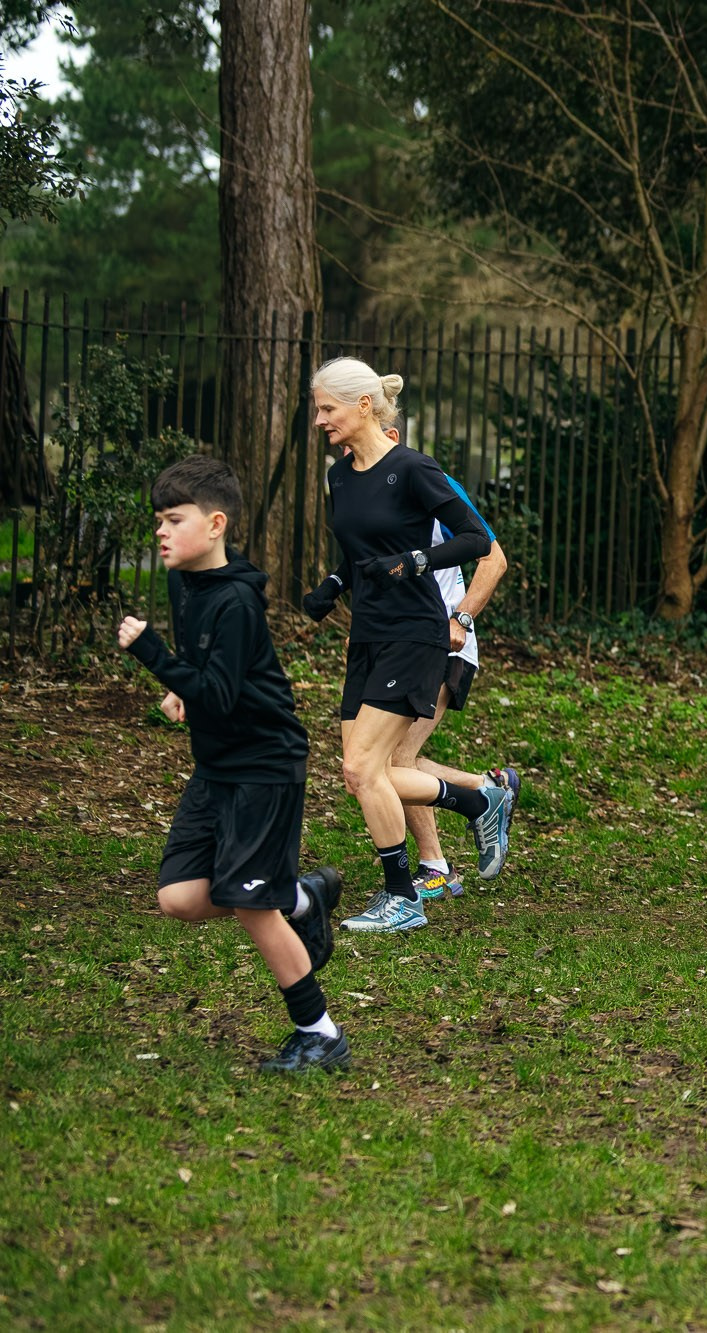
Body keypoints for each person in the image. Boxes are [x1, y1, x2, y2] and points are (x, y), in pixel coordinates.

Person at [117, 456, 347, 1072]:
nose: (161, 532)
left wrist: (154, 656)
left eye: (174, 520)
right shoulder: (186, 584)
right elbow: (212, 674)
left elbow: (216, 692)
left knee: (249, 904)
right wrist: (180, 685)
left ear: (215, 524)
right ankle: (300, 899)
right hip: (219, 767)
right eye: (157, 521)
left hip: (263, 766)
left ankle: (319, 1033)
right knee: (179, 898)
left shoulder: (236, 602)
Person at [301, 359, 514, 934]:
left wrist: (418, 561)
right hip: (366, 635)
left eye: (328, 409)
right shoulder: (340, 476)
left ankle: (405, 896)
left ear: (364, 405)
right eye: (317, 409)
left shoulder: (414, 469)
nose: (319, 419)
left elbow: (476, 540)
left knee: (365, 766)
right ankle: (476, 801)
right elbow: (362, 549)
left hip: (417, 635)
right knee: (360, 775)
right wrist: (334, 584)